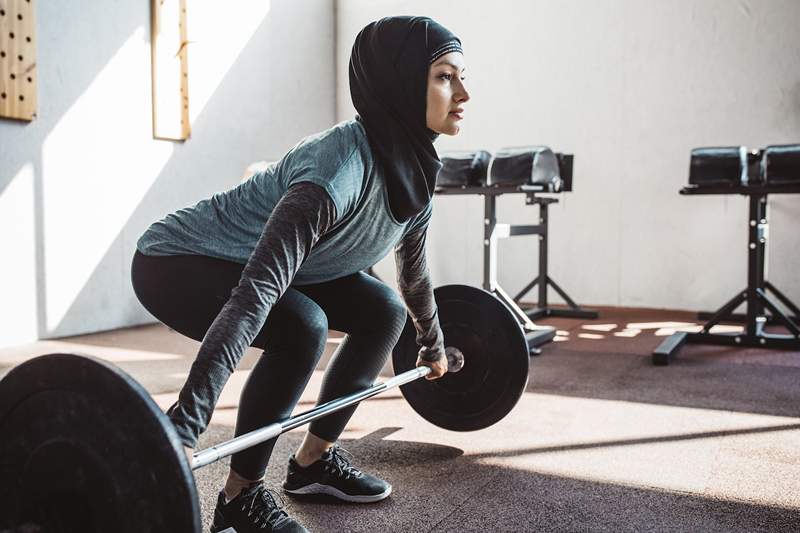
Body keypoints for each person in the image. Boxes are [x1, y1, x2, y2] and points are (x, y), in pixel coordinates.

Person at [131, 15, 469, 533]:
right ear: (401, 81)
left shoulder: (413, 169)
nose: (463, 93)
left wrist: (432, 343)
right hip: (177, 260)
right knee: (302, 325)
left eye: (461, 76)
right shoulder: (336, 170)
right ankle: (239, 498)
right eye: (445, 76)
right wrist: (184, 426)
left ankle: (312, 462)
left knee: (384, 311)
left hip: (278, 266)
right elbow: (255, 294)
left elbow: (414, 276)